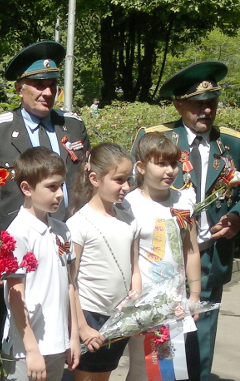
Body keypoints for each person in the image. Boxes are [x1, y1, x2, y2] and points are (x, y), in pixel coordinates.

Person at [132, 61, 240, 381]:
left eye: (211, 103)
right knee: (161, 346)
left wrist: (236, 216)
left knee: (202, 341)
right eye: (197, 104)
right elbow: (134, 194)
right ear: (179, 104)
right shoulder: (156, 139)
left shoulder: (233, 142)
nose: (206, 110)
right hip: (164, 258)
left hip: (210, 253)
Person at [0, 41, 91, 248]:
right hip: (19, 242)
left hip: (72, 237)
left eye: (52, 85)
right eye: (39, 85)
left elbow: (84, 181)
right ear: (20, 89)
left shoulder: (73, 126)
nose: (47, 93)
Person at [125, 132, 201, 381]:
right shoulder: (129, 204)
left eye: (173, 163)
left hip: (176, 303)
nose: (169, 171)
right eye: (161, 164)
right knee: (142, 369)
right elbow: (129, 257)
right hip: (144, 302)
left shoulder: (184, 200)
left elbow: (190, 249)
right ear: (141, 167)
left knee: (172, 371)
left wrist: (195, 295)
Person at [3, 147, 80, 381]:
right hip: (26, 348)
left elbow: (70, 284)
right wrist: (31, 349)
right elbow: (15, 294)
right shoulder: (17, 233)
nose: (59, 194)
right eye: (51, 187)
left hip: (57, 342)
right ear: (26, 188)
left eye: (61, 186)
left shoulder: (62, 229)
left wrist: (73, 335)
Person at [66, 143, 141, 381]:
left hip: (118, 315)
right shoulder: (79, 224)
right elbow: (71, 282)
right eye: (119, 180)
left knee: (103, 376)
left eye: (129, 180)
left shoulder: (128, 218)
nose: (126, 187)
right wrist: (81, 327)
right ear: (94, 179)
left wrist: (136, 295)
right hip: (90, 315)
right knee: (85, 377)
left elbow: (134, 266)